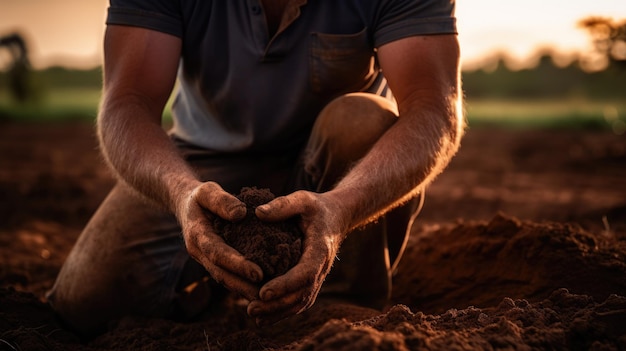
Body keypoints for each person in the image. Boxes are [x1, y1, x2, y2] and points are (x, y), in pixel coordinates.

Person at [47, 0, 464, 336]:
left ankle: (340, 304)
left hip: (337, 167)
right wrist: (181, 192)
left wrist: (340, 210)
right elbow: (128, 102)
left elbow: (433, 111)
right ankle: (211, 289)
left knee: (363, 119)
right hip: (202, 165)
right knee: (84, 302)